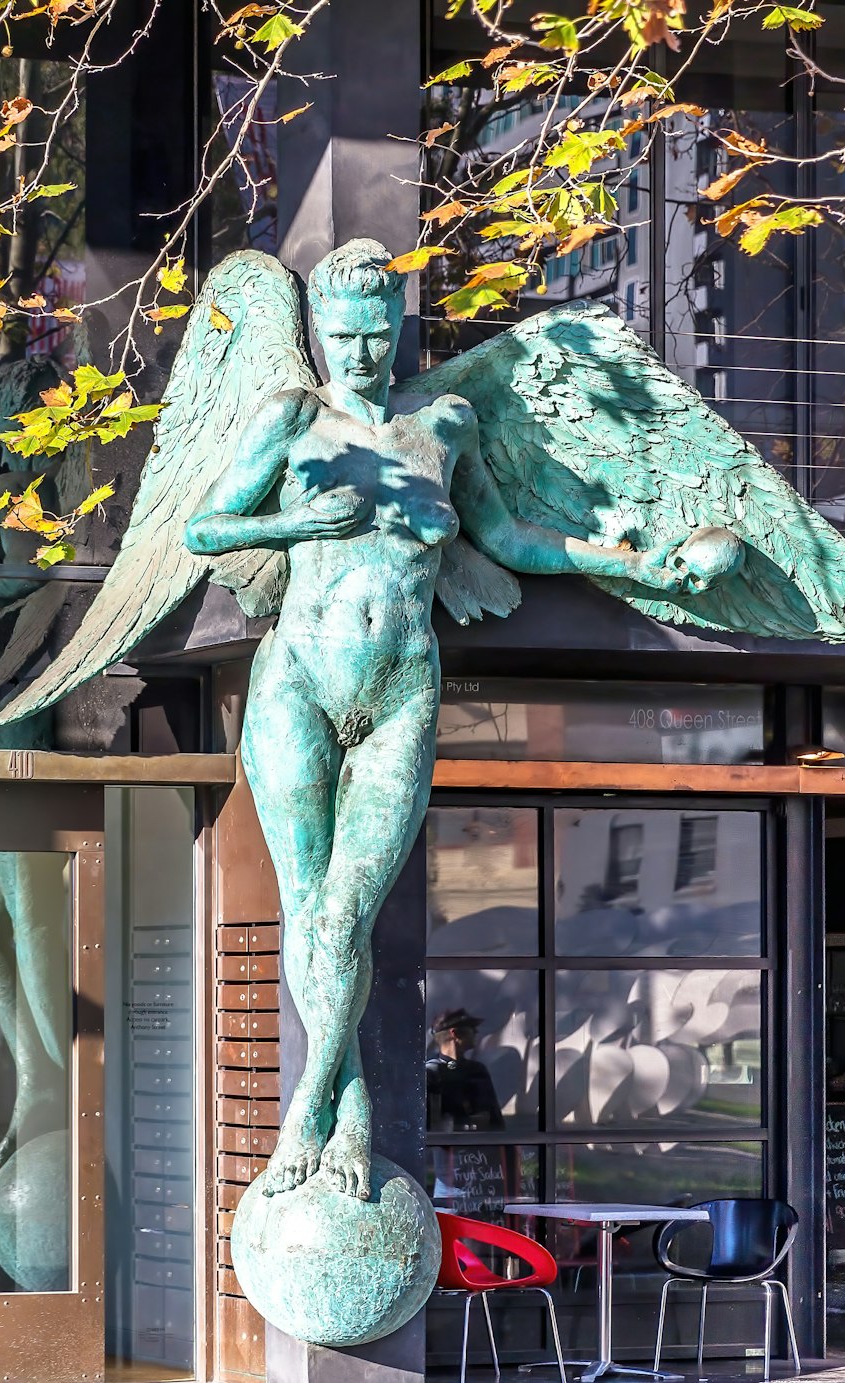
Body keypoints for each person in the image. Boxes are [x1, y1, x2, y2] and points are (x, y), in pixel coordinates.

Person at [183, 239, 711, 1199]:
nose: (357, 353)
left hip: (402, 688)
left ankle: (313, 1107)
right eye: (340, 335)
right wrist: (295, 525)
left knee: (348, 914)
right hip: (298, 676)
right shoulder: (293, 417)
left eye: (375, 335)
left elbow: (505, 536)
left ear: (397, 331)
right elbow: (205, 529)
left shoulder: (446, 424)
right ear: (316, 332)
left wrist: (630, 562)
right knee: (312, 912)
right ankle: (341, 1116)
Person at [426, 1008, 504, 1133]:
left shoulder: (478, 1070)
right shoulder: (431, 1074)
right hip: (444, 1148)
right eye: (471, 1028)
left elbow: (495, 1119)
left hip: (481, 1148)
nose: (476, 1032)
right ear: (454, 1034)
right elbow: (430, 1123)